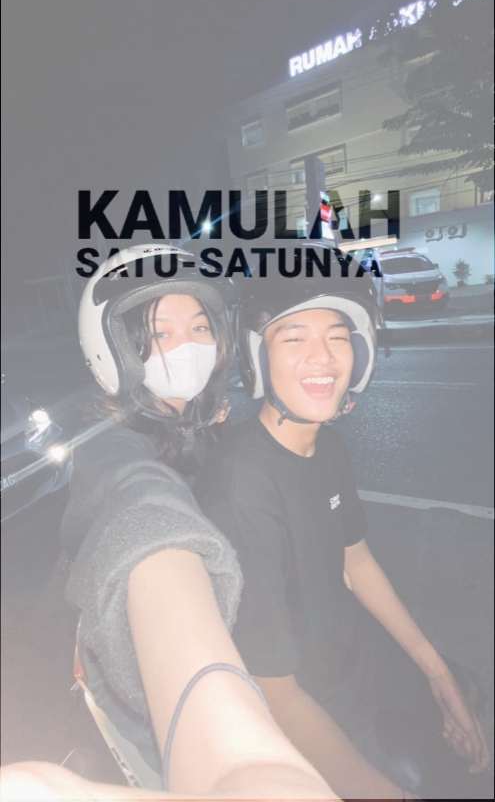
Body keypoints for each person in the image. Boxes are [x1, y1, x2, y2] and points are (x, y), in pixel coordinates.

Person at [194, 242, 491, 801]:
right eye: (295, 338)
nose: (323, 358)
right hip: (320, 707)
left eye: (337, 336)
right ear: (259, 355)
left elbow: (355, 560)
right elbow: (276, 694)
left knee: (468, 694)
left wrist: (438, 675)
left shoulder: (324, 443)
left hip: (360, 662)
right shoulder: (242, 491)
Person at [52, 244, 336, 799]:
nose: (188, 346)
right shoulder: (110, 448)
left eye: (200, 327)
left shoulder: (195, 425)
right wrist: (235, 759)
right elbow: (147, 512)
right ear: (115, 350)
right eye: (160, 333)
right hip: (138, 702)